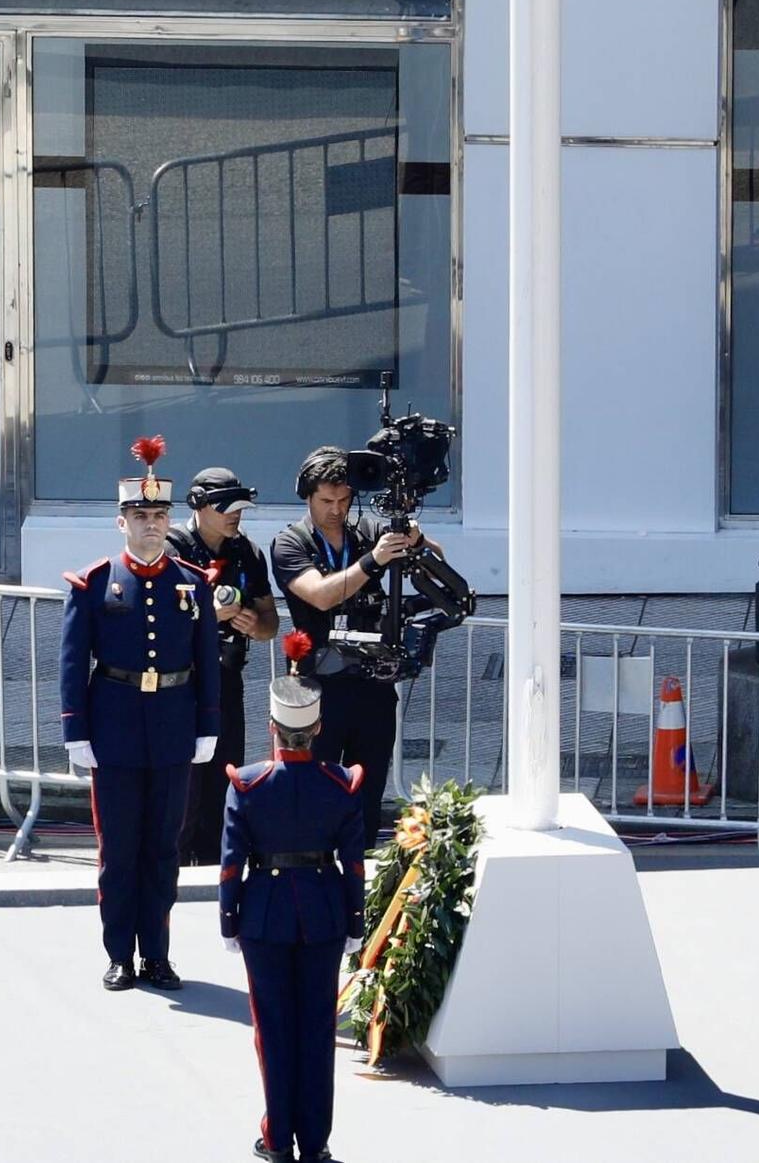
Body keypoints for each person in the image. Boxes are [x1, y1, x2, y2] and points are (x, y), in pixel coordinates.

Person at [60, 436, 220, 992]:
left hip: (174, 727)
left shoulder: (193, 585)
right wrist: (75, 730)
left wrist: (208, 724)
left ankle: (157, 953)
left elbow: (207, 662)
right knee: (119, 850)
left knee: (163, 849)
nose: (151, 525)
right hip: (116, 730)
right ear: (121, 520)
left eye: (158, 515)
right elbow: (73, 660)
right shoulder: (96, 583)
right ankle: (119, 954)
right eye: (140, 515)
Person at [220, 631, 366, 1163]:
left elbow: (232, 863)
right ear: (319, 729)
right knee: (317, 1031)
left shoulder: (248, 785)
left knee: (274, 1032)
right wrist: (355, 920)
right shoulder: (341, 784)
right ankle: (316, 1142)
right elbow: (352, 862)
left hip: (264, 915)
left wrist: (228, 922)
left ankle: (278, 1138)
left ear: (272, 728)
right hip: (325, 914)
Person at [270, 445, 443, 853]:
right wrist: (372, 561)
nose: (336, 509)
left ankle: (359, 874)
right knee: (315, 794)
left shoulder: (365, 531)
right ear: (307, 496)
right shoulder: (289, 543)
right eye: (326, 501)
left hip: (371, 683)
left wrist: (416, 540)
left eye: (344, 500)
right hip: (317, 688)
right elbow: (320, 596)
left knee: (367, 792)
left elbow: (436, 562)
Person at [167, 466, 278, 866]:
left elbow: (270, 622)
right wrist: (207, 616)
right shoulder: (171, 549)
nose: (236, 515)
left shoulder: (246, 551)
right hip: (181, 684)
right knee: (184, 787)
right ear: (199, 506)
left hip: (227, 680)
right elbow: (154, 624)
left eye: (240, 508)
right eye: (226, 508)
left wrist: (255, 623)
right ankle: (174, 873)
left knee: (223, 778)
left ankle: (216, 872)